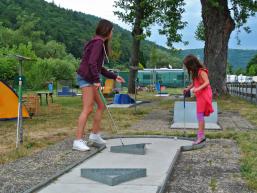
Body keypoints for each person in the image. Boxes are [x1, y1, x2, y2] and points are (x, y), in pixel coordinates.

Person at [73, 19, 125, 151]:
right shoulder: (97, 43)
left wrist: (114, 76)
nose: (112, 32)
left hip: (90, 78)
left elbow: (98, 67)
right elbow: (91, 63)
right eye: (112, 30)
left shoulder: (100, 43)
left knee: (101, 105)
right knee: (88, 108)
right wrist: (96, 80)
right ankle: (77, 141)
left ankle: (94, 136)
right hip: (86, 78)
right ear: (106, 30)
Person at [183, 54, 214, 144]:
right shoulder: (195, 72)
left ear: (192, 64)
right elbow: (195, 82)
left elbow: (207, 82)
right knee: (200, 116)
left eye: (187, 66)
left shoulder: (201, 71)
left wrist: (198, 89)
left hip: (205, 94)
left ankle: (200, 137)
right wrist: (188, 88)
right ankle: (201, 136)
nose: (187, 68)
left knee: (199, 115)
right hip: (200, 95)